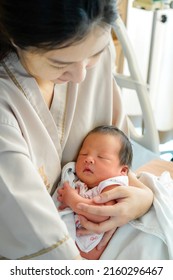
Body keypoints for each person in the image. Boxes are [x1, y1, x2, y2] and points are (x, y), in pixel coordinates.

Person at [0, 0, 155, 260]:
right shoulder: (6, 107)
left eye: (96, 53)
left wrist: (143, 197)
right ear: (16, 39)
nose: (81, 76)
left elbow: (121, 157)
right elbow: (41, 245)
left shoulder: (88, 53)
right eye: (60, 64)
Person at [57, 125, 133, 259]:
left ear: (122, 171)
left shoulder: (112, 185)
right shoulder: (75, 179)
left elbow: (102, 214)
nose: (89, 159)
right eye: (84, 154)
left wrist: (73, 200)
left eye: (102, 157)